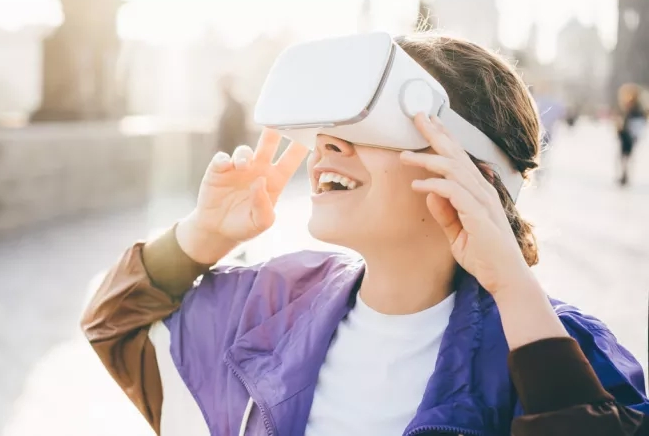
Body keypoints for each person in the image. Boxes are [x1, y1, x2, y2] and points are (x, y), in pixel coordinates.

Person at [81, 34, 649, 435]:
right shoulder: (258, 309)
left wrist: (514, 287)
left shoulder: (563, 353)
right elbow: (112, 321)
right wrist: (201, 235)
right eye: (327, 127)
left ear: (469, 172)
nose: (326, 144)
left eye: (369, 124)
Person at [616, 83, 646, 186]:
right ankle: (624, 174)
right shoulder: (627, 108)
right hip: (624, 135)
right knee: (623, 156)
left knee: (627, 156)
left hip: (630, 135)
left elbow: (639, 123)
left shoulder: (637, 109)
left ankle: (626, 175)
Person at [216, 75, 249, 156]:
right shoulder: (228, 107)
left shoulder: (235, 107)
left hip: (233, 150)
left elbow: (240, 131)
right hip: (228, 150)